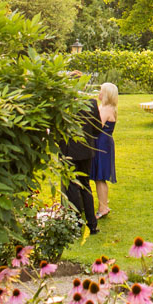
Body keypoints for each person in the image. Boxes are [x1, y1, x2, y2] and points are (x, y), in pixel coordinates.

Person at [62, 92, 102, 234]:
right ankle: (91, 223)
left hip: (68, 149)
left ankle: (76, 223)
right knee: (85, 185)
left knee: (72, 185)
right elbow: (98, 127)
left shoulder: (63, 102)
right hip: (85, 149)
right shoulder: (91, 102)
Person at [90, 82, 119, 219]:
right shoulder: (105, 107)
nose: (98, 93)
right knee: (98, 176)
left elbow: (96, 126)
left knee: (100, 177)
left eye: (101, 91)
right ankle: (103, 203)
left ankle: (103, 207)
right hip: (101, 142)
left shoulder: (106, 109)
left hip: (102, 144)